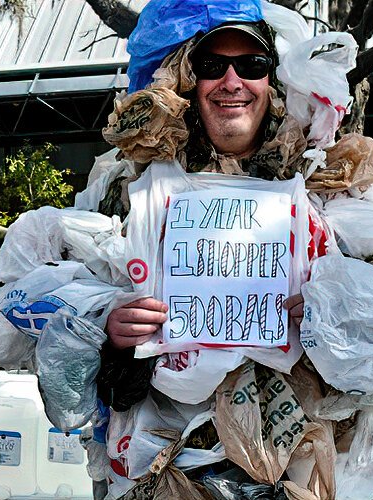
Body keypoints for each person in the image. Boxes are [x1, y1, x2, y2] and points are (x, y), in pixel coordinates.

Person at [96, 0, 310, 412]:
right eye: (212, 66)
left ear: (272, 80)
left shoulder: (321, 181)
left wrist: (332, 312)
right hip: (167, 448)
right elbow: (72, 314)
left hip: (294, 447)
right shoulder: (130, 186)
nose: (232, 82)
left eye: (252, 64)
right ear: (187, 80)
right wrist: (110, 326)